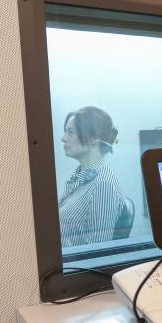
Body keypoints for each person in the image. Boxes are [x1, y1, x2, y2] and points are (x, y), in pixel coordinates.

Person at [58, 106, 125, 247]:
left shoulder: (103, 185)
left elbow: (96, 251)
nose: (63, 139)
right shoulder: (79, 179)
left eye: (70, 132)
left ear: (94, 138)